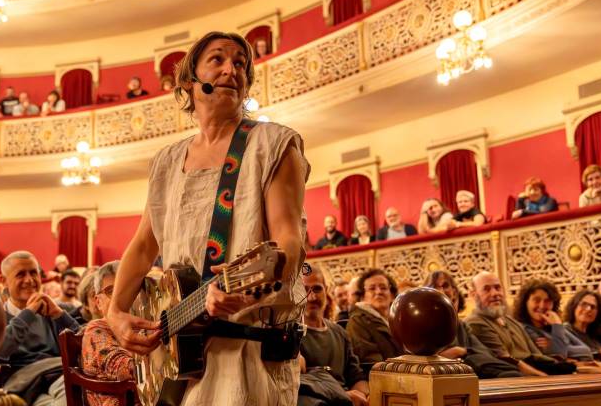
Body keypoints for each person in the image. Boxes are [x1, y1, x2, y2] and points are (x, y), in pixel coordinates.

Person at [106, 31, 308, 406]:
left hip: (247, 353)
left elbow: (289, 242)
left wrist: (244, 288)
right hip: (177, 358)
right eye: (217, 59)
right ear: (188, 81)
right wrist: (116, 313)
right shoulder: (166, 161)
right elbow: (143, 245)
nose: (232, 69)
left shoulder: (274, 144)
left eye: (241, 63)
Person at [0, 251, 79, 404]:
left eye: (34, 273)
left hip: (57, 376)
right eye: (20, 274)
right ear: (4, 280)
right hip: (24, 385)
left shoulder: (53, 310)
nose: (30, 280)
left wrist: (59, 315)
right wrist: (28, 314)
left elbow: (83, 344)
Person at [464, 271, 574, 376]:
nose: (495, 293)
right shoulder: (475, 323)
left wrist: (573, 368)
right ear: (474, 295)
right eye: (486, 289)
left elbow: (538, 356)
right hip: (518, 380)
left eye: (498, 288)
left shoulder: (511, 321)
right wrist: (544, 377)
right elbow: (506, 360)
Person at [424, 271, 522, 378]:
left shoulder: (461, 325)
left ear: (454, 292)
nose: (440, 290)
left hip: (472, 374)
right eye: (434, 286)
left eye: (445, 286)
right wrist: (455, 353)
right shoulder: (423, 324)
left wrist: (461, 351)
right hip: (444, 377)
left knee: (511, 373)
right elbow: (423, 360)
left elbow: (484, 353)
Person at [299, 266, 368, 406]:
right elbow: (297, 385)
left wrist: (362, 396)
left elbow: (356, 376)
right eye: (305, 290)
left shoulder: (339, 332)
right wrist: (344, 397)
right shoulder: (290, 334)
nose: (312, 297)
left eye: (317, 289)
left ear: (326, 289)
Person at [81, 262, 137, 406]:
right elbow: (122, 369)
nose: (122, 296)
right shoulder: (96, 329)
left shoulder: (140, 324)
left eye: (128, 288)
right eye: (111, 291)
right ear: (98, 302)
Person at [346, 269, 404, 364]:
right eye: (372, 288)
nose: (378, 292)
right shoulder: (358, 322)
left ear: (392, 295)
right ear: (363, 296)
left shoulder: (398, 319)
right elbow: (370, 362)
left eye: (383, 288)